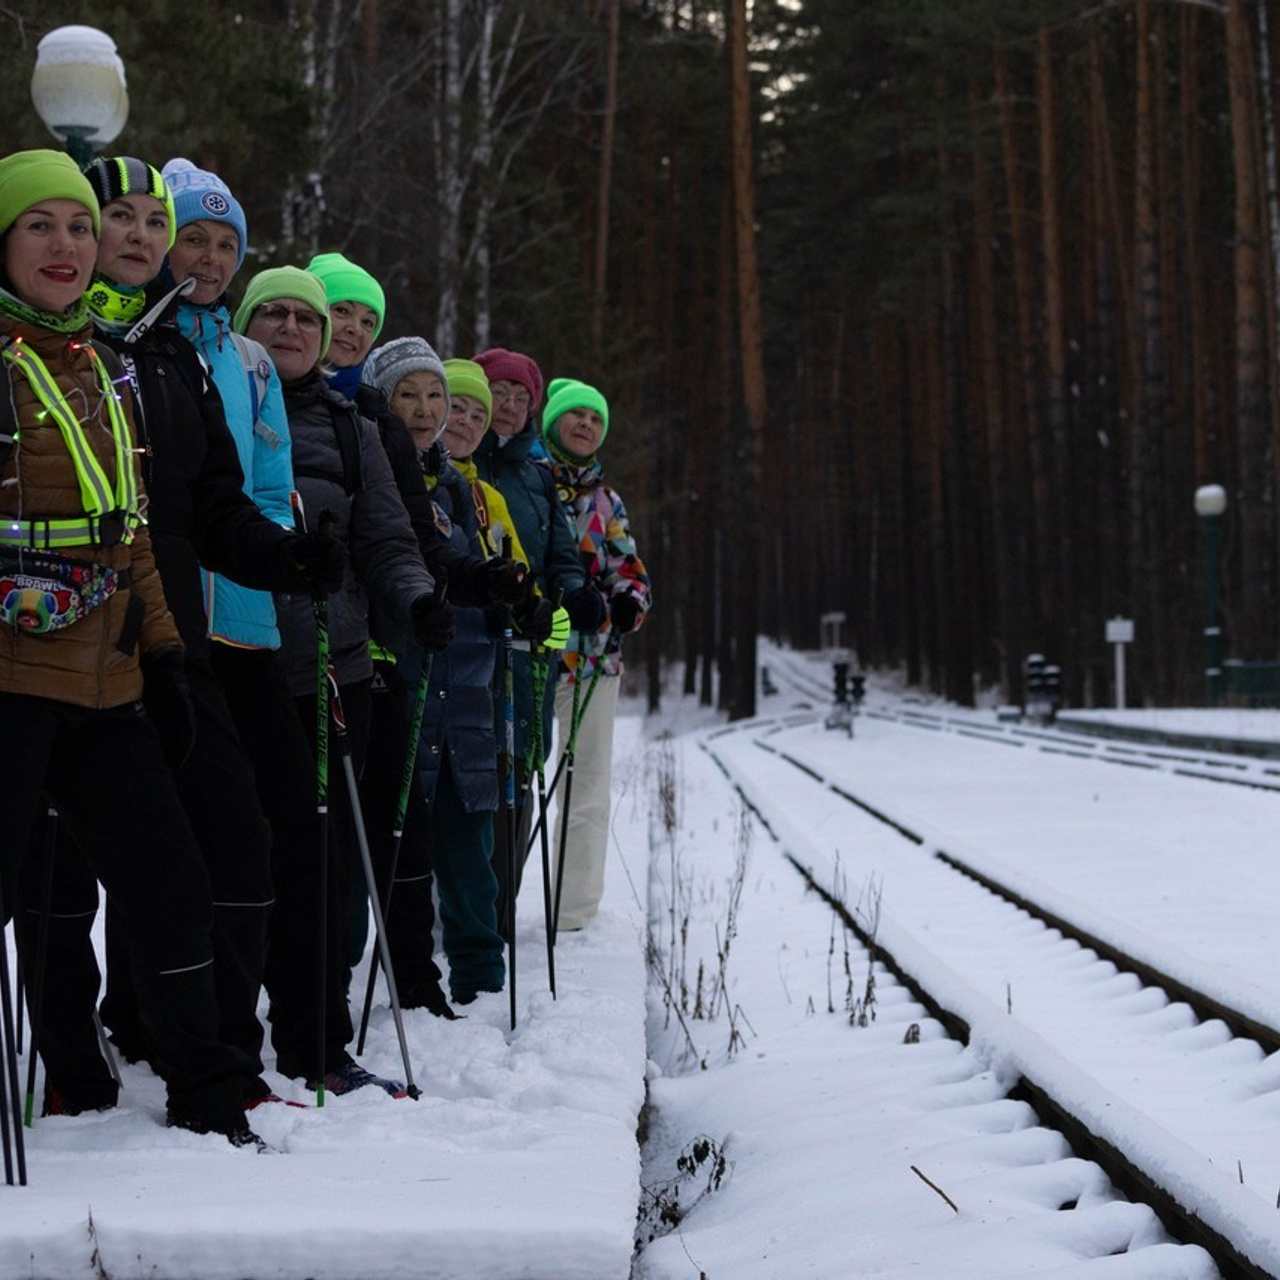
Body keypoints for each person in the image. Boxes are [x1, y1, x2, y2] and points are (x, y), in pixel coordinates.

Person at [23, 157, 347, 1115]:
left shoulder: (165, 357)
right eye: (107, 216)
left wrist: (288, 560)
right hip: (42, 645)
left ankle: (209, 1063)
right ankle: (76, 1073)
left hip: (167, 640)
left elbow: (206, 505)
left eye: (144, 220)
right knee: (59, 876)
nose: (132, 236)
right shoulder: (62, 348)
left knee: (223, 846)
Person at [0, 148, 261, 1145]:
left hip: (108, 675)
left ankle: (208, 1092)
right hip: (13, 674)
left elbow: (134, 531)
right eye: (42, 227)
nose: (67, 246)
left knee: (172, 883)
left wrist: (164, 650)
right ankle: (66, 1072)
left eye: (79, 226)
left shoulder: (106, 368)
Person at [236, 266, 446, 1091]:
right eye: (273, 313)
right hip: (235, 663)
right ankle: (207, 1036)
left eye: (306, 319)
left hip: (333, 666)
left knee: (319, 865)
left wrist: (418, 601)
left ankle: (316, 1042)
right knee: (241, 861)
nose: (290, 328)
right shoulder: (222, 400)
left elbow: (390, 541)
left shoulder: (356, 428)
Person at [363, 346, 562, 1003]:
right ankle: (406, 973)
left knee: (470, 834)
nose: (430, 412)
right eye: (409, 397)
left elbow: (497, 566)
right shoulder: (383, 472)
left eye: (439, 399)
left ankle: (480, 973)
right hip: (407, 670)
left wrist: (527, 603)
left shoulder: (469, 488)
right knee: (403, 838)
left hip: (473, 681)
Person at [304, 250, 454, 1017]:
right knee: (317, 836)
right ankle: (315, 991)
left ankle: (415, 986)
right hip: (295, 647)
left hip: (375, 649)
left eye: (369, 319)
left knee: (402, 826)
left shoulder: (375, 421)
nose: (354, 330)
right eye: (343, 314)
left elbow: (406, 538)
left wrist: (442, 591)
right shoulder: (270, 394)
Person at [473, 348, 589, 933]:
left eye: (522, 399)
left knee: (522, 761)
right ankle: (464, 909)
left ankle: (499, 907)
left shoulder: (538, 471)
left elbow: (561, 554)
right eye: (501, 394)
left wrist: (576, 591)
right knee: (476, 763)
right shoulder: (464, 460)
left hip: (531, 645)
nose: (511, 407)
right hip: (470, 642)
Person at [543, 378, 652, 932]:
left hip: (592, 664)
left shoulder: (607, 502)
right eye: (575, 415)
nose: (586, 424)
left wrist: (629, 602)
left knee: (586, 786)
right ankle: (488, 912)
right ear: (552, 423)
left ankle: (574, 912)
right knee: (514, 788)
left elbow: (629, 570)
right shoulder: (530, 481)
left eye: (595, 418)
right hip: (532, 658)